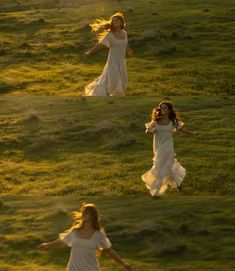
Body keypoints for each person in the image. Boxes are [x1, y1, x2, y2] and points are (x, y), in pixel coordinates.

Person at [37, 202, 132, 271]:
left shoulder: (99, 235)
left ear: (92, 215)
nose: (83, 214)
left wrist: (123, 263)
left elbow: (109, 250)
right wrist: (47, 245)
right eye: (83, 212)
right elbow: (61, 241)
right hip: (73, 268)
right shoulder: (75, 231)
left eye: (86, 212)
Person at [142, 101, 198, 197]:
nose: (162, 109)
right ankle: (180, 187)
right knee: (170, 167)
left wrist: (193, 133)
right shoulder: (156, 121)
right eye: (161, 108)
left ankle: (155, 191)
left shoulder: (173, 122)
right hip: (159, 146)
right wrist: (151, 131)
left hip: (168, 147)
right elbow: (148, 130)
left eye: (165, 108)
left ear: (169, 110)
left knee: (159, 166)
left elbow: (182, 130)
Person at [84, 12, 132, 96]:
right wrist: (90, 52)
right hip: (112, 62)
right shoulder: (110, 35)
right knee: (111, 80)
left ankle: (116, 95)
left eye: (116, 20)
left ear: (121, 22)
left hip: (121, 62)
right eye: (113, 21)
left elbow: (125, 44)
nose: (114, 22)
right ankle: (98, 94)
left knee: (123, 80)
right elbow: (100, 45)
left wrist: (129, 50)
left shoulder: (124, 33)